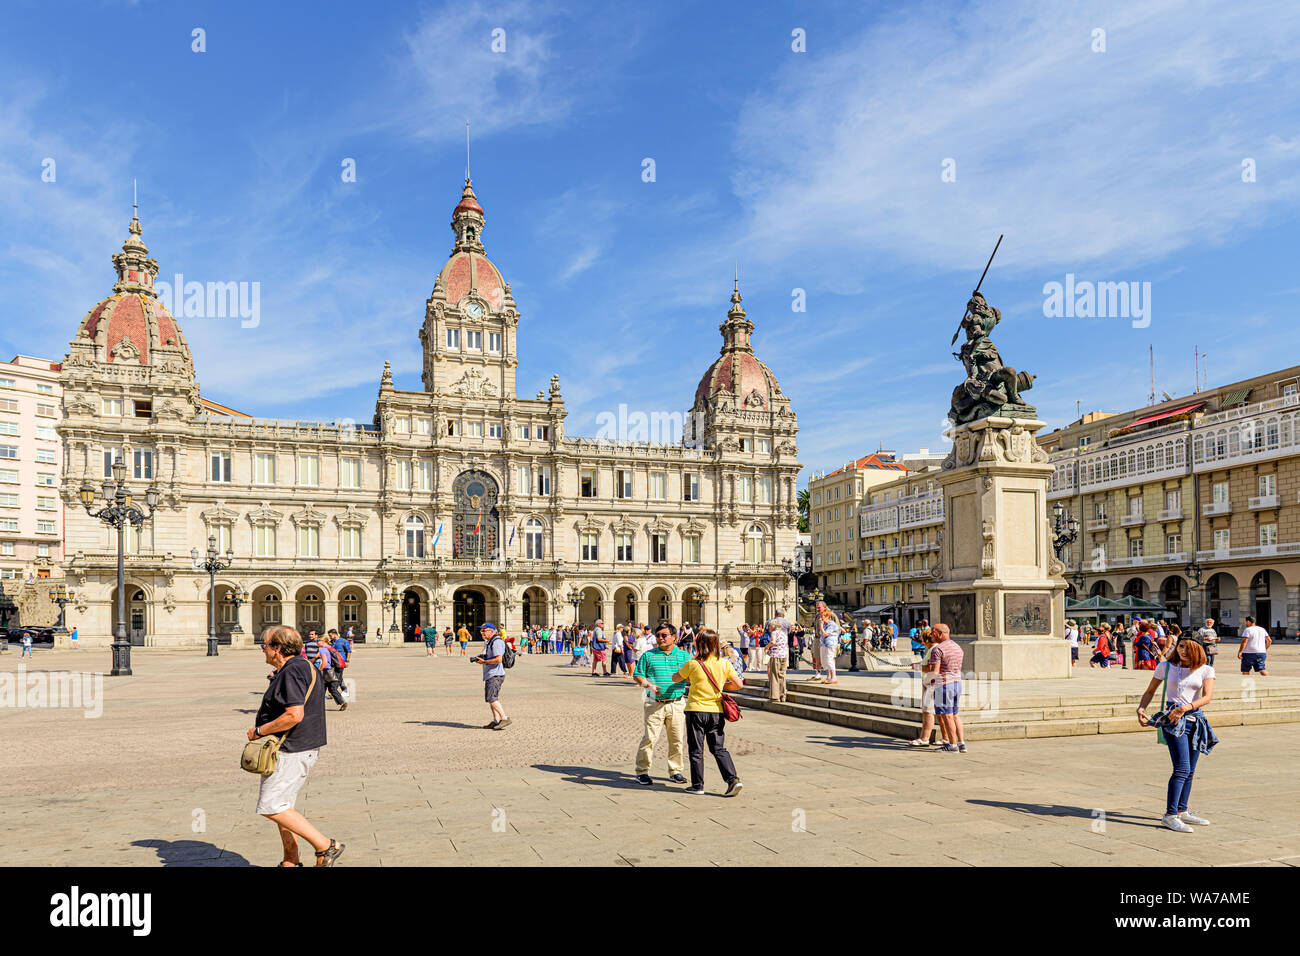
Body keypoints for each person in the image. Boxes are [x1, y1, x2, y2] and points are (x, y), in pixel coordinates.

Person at [249, 625, 345, 867]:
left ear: (277, 649)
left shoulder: (291, 672)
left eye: (265, 646)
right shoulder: (303, 666)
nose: (263, 651)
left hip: (291, 748)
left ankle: (325, 845)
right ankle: (290, 860)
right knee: (284, 806)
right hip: (301, 745)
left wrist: (260, 731)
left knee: (271, 806)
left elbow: (294, 715)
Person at [1136, 638, 1217, 833]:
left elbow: (1207, 697)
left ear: (1198, 650)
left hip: (1195, 721)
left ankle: (1182, 811)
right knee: (1182, 768)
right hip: (1173, 721)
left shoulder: (1206, 669)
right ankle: (1170, 815)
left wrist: (1186, 708)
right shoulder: (1166, 666)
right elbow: (1150, 691)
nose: (1184, 651)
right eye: (1181, 647)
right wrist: (1141, 708)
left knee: (1190, 770)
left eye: (1189, 648)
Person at [672, 628, 744, 796]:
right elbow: (738, 684)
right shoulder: (724, 663)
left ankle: (697, 785)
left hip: (696, 710)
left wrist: (690, 677)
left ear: (700, 645)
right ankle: (732, 780)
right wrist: (722, 685)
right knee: (718, 748)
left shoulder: (693, 663)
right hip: (716, 711)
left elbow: (676, 678)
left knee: (696, 749)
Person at [632, 622, 692, 786]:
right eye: (658, 635)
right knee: (650, 738)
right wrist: (648, 685)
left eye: (664, 635)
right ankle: (642, 771)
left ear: (674, 637)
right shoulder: (648, 655)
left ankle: (675, 771)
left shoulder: (684, 656)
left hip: (676, 703)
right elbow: (637, 675)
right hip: (654, 703)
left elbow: (691, 677)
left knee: (676, 739)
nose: (660, 638)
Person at [928, 623, 966, 753]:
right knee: (955, 715)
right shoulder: (957, 647)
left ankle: (952, 745)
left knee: (947, 716)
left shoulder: (937, 649)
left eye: (933, 632)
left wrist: (929, 682)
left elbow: (936, 671)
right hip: (957, 683)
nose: (931, 634)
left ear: (941, 634)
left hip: (944, 685)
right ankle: (961, 743)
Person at [471, 622, 511, 730]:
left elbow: (498, 659)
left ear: (492, 631)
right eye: (481, 630)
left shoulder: (497, 642)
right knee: (491, 698)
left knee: (492, 698)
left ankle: (504, 718)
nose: (482, 633)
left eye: (484, 630)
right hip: (491, 674)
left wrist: (484, 661)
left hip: (495, 674)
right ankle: (496, 720)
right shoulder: (489, 642)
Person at [909, 627, 939, 747]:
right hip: (931, 682)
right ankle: (946, 737)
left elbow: (930, 668)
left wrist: (917, 667)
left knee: (927, 711)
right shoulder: (933, 649)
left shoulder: (933, 650)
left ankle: (925, 738)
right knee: (939, 713)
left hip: (931, 683)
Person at [305, 630, 348, 709]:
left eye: (318, 641)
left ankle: (317, 705)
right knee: (329, 689)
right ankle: (341, 702)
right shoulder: (330, 647)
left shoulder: (322, 649)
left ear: (322, 641)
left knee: (323, 688)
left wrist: (319, 669)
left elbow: (324, 662)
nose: (317, 643)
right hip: (332, 670)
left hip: (326, 671)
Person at [765, 609, 792, 702]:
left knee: (774, 675)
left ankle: (775, 696)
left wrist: (767, 647)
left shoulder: (774, 632)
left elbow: (773, 641)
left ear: (773, 626)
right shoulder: (784, 633)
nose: (769, 628)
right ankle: (783, 695)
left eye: (769, 626)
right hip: (784, 655)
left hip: (775, 655)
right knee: (782, 675)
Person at [817, 603, 840, 684]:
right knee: (824, 661)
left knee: (830, 660)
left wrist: (821, 625)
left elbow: (825, 634)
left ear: (827, 617)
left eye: (822, 617)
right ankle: (829, 677)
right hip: (823, 644)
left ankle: (834, 677)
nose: (821, 619)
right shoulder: (825, 624)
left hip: (830, 644)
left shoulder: (832, 624)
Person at [329, 628, 354, 698]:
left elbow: (348, 651)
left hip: (341, 662)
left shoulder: (343, 641)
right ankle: (344, 690)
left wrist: (347, 661)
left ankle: (334, 691)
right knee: (338, 677)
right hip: (333, 662)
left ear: (335, 634)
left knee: (338, 677)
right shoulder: (332, 642)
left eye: (330, 635)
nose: (330, 637)